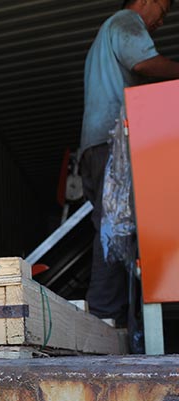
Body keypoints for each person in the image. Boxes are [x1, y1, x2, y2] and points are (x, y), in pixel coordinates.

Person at [80, 0, 179, 327]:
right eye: (162, 12)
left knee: (115, 228)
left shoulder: (106, 35)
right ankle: (106, 315)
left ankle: (116, 316)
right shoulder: (126, 21)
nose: (161, 22)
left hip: (98, 146)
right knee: (115, 228)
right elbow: (146, 64)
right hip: (113, 144)